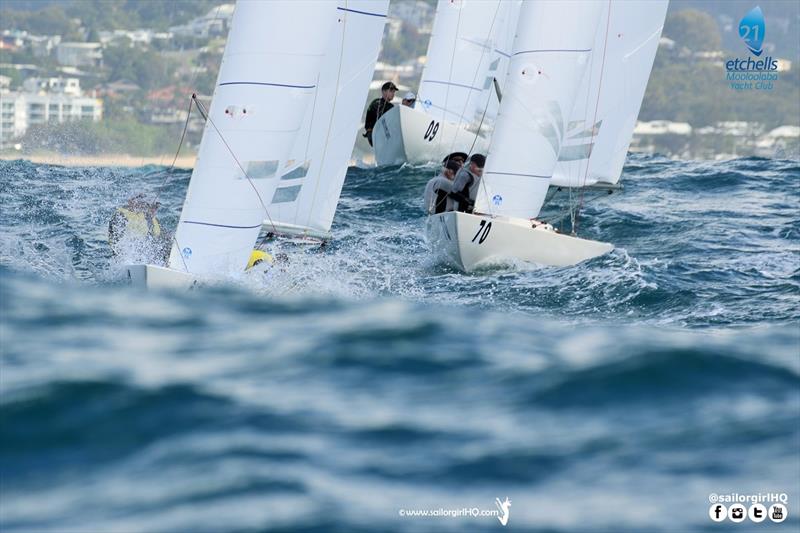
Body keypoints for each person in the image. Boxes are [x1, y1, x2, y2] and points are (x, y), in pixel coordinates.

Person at [108, 194, 170, 264]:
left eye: (156, 207)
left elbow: (164, 239)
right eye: (149, 206)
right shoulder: (121, 215)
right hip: (124, 258)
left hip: (147, 260)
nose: (153, 209)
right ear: (130, 201)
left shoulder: (150, 219)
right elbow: (115, 239)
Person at [363, 81, 397, 146]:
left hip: (387, 139)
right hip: (376, 138)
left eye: (394, 92)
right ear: (383, 91)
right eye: (391, 91)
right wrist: (369, 131)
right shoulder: (376, 103)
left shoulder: (392, 107)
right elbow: (369, 119)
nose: (393, 94)